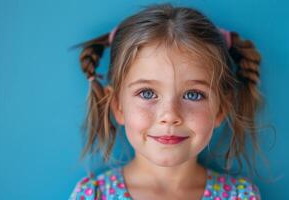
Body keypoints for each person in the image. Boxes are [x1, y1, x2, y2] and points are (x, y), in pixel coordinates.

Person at [70, 3, 263, 200]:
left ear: (221, 108)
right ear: (118, 106)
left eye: (193, 95)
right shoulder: (93, 195)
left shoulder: (239, 196)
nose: (170, 115)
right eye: (147, 93)